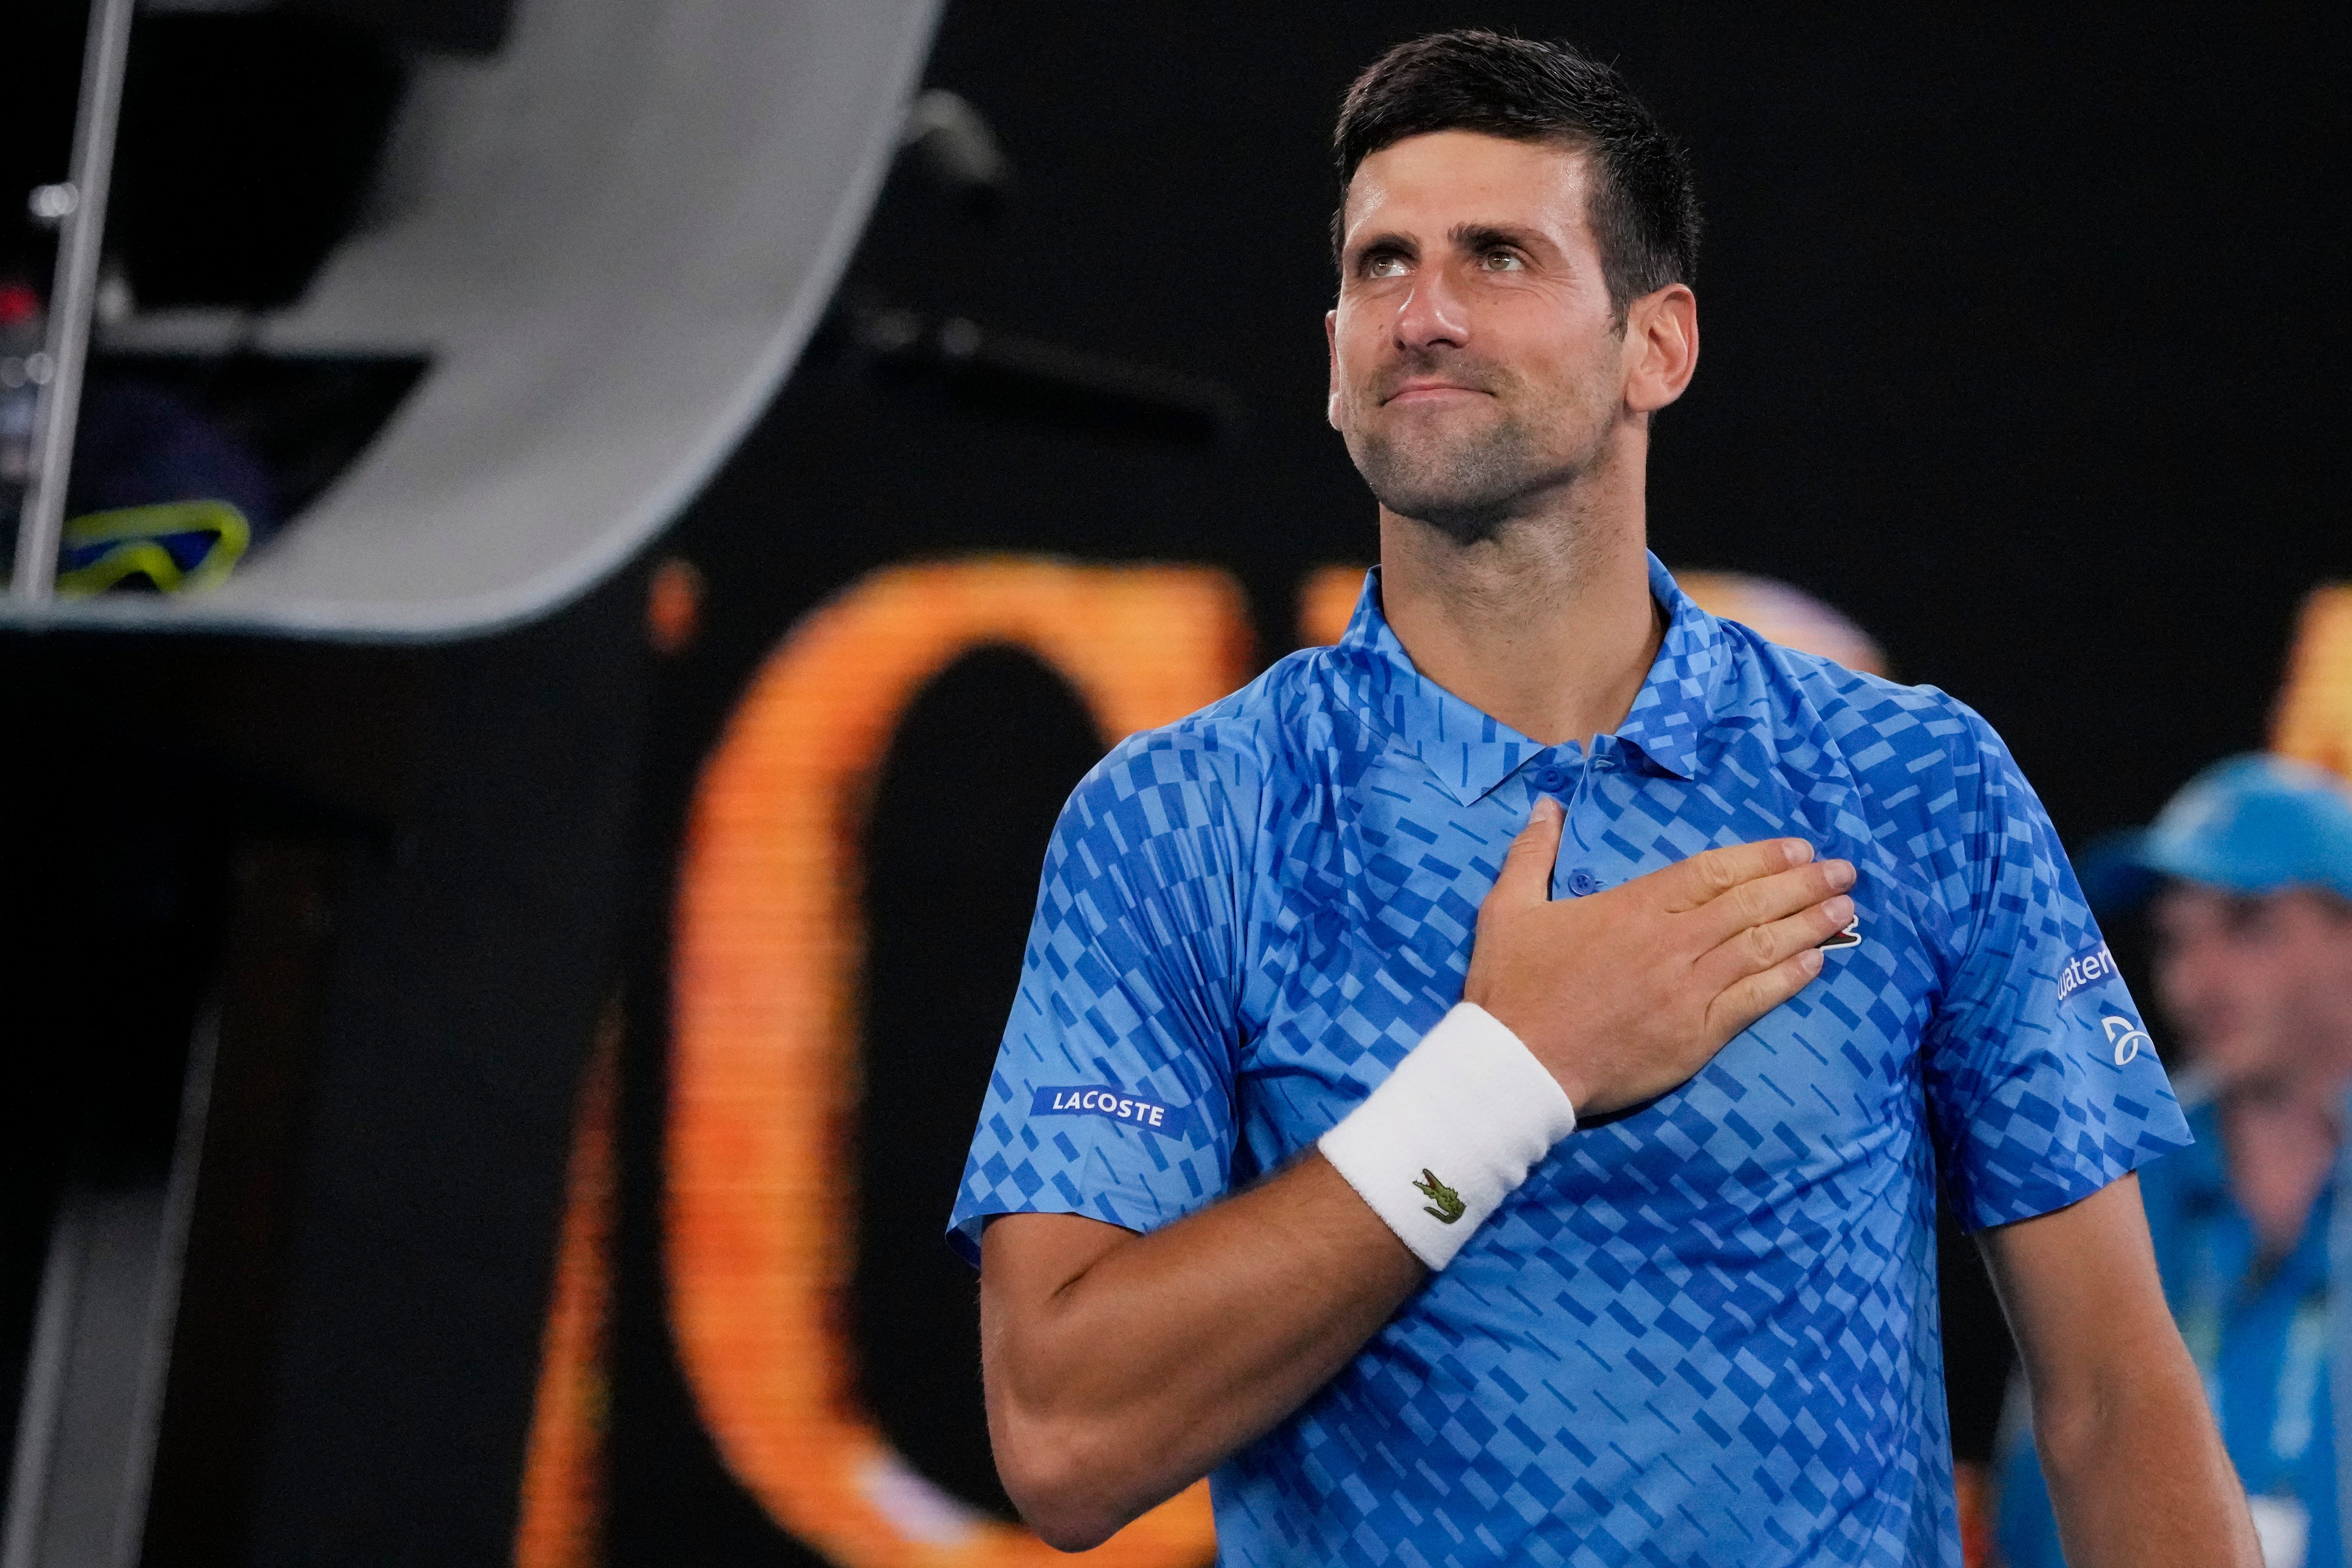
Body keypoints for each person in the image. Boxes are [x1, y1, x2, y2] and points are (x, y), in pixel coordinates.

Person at [948, 31, 2256, 1567]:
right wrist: (1510, 1078)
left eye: (1497, 256)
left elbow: (2111, 1396)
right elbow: (1064, 1436)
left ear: (1661, 346)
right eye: (1381, 266)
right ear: (1331, 353)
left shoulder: (1915, 785)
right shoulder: (1180, 818)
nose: (1422, 314)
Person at [1998, 754, 2352, 1568]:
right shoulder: (2106, 1173)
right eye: (2174, 938)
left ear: (2349, 937)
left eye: (2247, 922)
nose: (2199, 977)